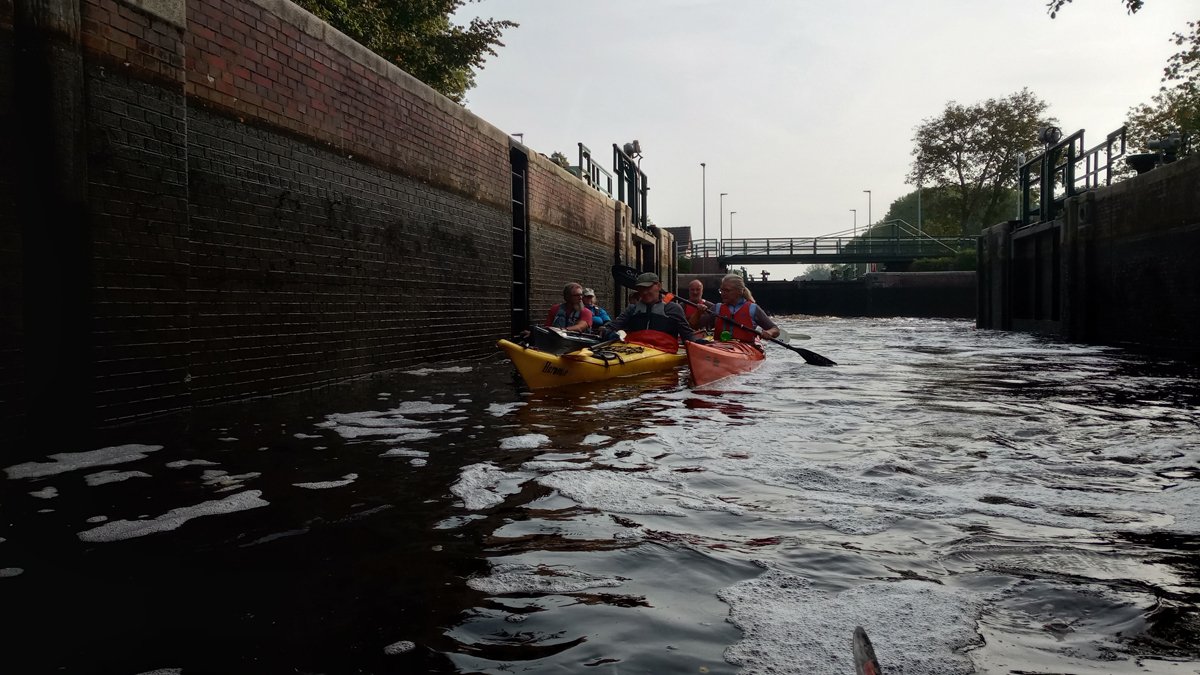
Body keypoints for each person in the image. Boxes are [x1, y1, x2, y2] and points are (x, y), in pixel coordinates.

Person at [605, 272, 704, 353]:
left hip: (664, 351)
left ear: (659, 286)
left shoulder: (673, 309)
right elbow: (612, 326)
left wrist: (700, 343)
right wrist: (607, 332)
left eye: (648, 288)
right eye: (641, 289)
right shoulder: (632, 309)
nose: (644, 292)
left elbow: (687, 336)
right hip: (634, 351)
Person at [702, 273, 780, 344]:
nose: (723, 293)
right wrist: (699, 312)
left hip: (745, 348)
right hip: (720, 346)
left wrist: (769, 332)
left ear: (739, 291)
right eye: (721, 290)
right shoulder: (717, 308)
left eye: (727, 290)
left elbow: (775, 329)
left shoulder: (753, 309)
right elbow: (697, 326)